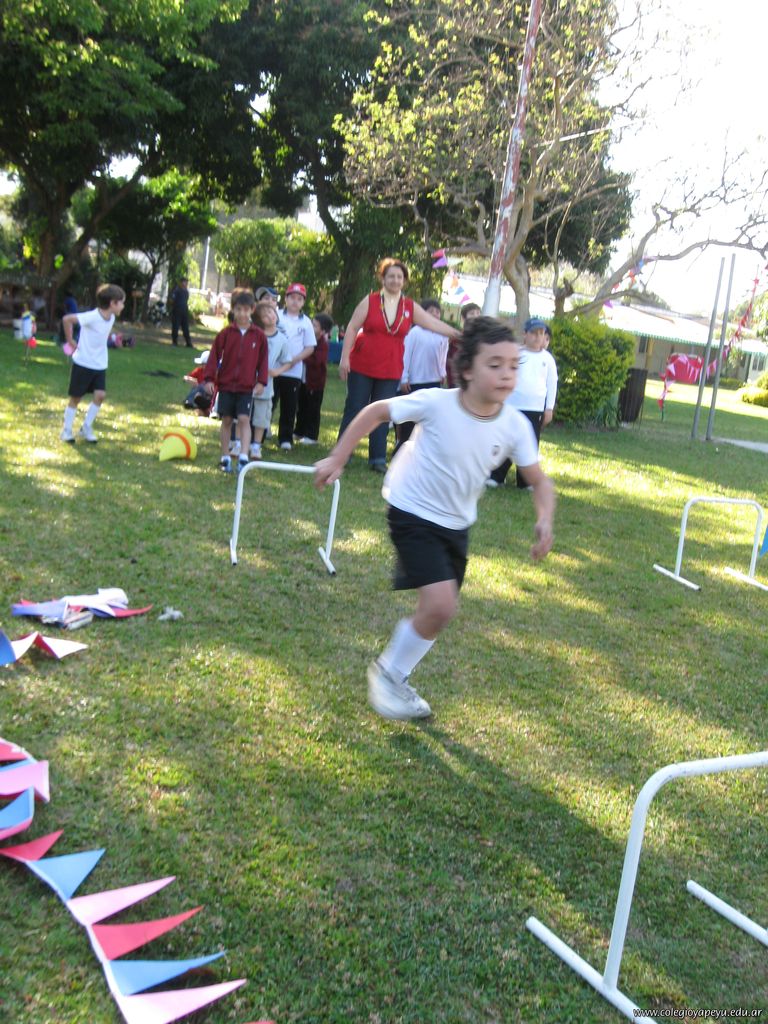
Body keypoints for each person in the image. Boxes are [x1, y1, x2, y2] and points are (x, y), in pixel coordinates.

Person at [315, 315, 555, 721]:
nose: (506, 374)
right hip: (411, 508)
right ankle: (387, 674)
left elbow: (539, 480)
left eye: (514, 366)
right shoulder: (437, 403)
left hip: (457, 523)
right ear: (467, 369)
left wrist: (544, 517)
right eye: (494, 364)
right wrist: (339, 457)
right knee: (441, 605)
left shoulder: (515, 425)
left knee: (441, 611)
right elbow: (376, 411)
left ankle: (397, 676)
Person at [337, 258, 460, 473]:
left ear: (404, 281)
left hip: (390, 368)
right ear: (383, 279)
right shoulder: (370, 301)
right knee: (355, 407)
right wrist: (344, 358)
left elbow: (433, 323)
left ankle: (377, 458)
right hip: (362, 365)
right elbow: (352, 327)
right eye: (391, 276)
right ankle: (342, 454)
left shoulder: (409, 306)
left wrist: (458, 334)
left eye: (399, 277)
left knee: (384, 412)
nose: (395, 280)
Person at [488, 316, 558, 489]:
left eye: (541, 333)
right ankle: (496, 475)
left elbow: (552, 383)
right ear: (525, 334)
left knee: (530, 444)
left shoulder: (547, 359)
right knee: (504, 440)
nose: (537, 337)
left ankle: (526, 480)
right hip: (512, 405)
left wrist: (549, 408)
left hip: (535, 408)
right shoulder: (517, 354)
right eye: (534, 333)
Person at [203, 290, 268, 473]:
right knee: (227, 419)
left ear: (252, 310)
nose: (242, 314)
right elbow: (214, 356)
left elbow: (263, 360)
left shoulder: (259, 336)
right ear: (233, 310)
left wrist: (261, 381)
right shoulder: (225, 334)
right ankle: (225, 457)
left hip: (246, 387)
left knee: (244, 419)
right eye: (238, 309)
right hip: (226, 385)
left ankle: (244, 457)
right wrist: (209, 379)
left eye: (246, 310)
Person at [60, 284, 126, 443]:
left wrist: (114, 338)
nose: (123, 306)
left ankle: (86, 427)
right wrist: (70, 340)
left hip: (100, 364)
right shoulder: (92, 316)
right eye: (121, 303)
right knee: (76, 398)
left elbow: (101, 333)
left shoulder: (111, 318)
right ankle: (66, 431)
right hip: (83, 362)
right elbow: (67, 319)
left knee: (100, 395)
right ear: (112, 303)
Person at [395, 298, 448, 451]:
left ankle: (420, 448)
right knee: (410, 418)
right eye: (431, 311)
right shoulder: (415, 332)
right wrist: (404, 377)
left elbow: (443, 356)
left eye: (437, 311)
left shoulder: (442, 334)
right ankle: (402, 446)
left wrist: (442, 372)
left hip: (434, 381)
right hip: (415, 381)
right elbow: (406, 355)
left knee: (427, 418)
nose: (435, 314)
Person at [274, 283, 316, 450]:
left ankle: (285, 438)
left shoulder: (306, 322)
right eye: (292, 297)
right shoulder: (276, 316)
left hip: (293, 371)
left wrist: (295, 359)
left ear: (303, 302)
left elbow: (310, 347)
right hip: (273, 368)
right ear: (285, 299)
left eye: (299, 299)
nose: (295, 301)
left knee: (289, 406)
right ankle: (260, 434)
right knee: (268, 401)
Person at [249, 300, 293, 460]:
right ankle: (240, 441)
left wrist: (277, 372)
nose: (270, 316)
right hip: (248, 381)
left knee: (262, 417)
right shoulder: (254, 334)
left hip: (266, 384)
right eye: (265, 315)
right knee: (244, 414)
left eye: (271, 312)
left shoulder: (281, 339)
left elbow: (288, 361)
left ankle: (256, 445)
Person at [295, 313, 332, 445]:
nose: (311, 326)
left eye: (315, 325)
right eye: (311, 323)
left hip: (315, 383)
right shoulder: (305, 339)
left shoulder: (323, 344)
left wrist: (302, 356)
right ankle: (299, 431)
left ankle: (311, 435)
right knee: (301, 407)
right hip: (303, 380)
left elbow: (317, 361)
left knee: (313, 409)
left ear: (323, 331)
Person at [446, 302, 481, 387]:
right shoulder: (456, 337)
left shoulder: (483, 337)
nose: (476, 316)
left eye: (478, 313)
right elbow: (449, 360)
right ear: (463, 318)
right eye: (472, 313)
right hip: (458, 380)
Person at [170, 278, 193, 348]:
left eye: (186, 282)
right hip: (177, 311)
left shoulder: (186, 292)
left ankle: (188, 343)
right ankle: (174, 342)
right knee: (175, 326)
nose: (186, 284)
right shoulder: (177, 291)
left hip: (184, 311)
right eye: (184, 282)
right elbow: (172, 300)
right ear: (181, 283)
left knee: (185, 327)